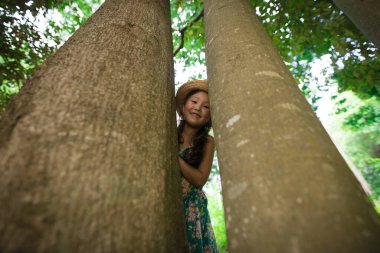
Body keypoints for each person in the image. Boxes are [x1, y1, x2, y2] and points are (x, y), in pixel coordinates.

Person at [176, 80, 219, 253]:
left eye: (206, 106)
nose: (198, 108)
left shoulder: (208, 141)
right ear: (185, 105)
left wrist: (175, 158)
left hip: (193, 207)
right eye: (194, 101)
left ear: (209, 116)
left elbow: (200, 179)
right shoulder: (168, 131)